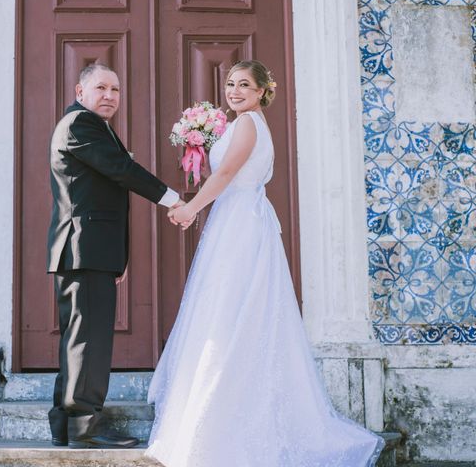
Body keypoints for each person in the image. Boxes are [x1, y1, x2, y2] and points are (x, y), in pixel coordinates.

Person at [146, 60, 385, 466]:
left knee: (230, 313)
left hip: (239, 224)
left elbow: (225, 177)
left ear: (261, 92)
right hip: (235, 221)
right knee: (232, 311)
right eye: (230, 83)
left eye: (244, 85)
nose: (234, 91)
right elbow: (226, 174)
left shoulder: (247, 125)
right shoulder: (242, 123)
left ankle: (220, 420)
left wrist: (189, 210)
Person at [46, 63, 183, 449]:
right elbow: (121, 169)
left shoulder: (90, 126)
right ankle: (86, 425)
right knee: (88, 339)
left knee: (80, 337)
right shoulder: (79, 124)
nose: (110, 95)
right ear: (79, 90)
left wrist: (117, 254)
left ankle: (66, 424)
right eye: (101, 87)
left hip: (90, 249)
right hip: (83, 247)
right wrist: (171, 198)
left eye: (116, 89)